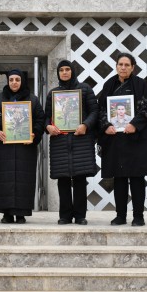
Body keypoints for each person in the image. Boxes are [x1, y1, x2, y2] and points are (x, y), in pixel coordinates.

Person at [98, 53, 147, 227]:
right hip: (115, 140)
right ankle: (120, 215)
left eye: (127, 65)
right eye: (120, 64)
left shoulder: (140, 84)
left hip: (136, 139)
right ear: (116, 66)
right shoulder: (109, 85)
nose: (123, 67)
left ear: (133, 67)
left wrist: (134, 124)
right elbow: (101, 109)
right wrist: (105, 126)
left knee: (137, 179)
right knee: (118, 179)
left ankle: (138, 216)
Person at [0, 69, 45, 224]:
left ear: (22, 81)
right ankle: (6, 214)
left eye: (17, 79)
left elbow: (40, 120)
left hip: (25, 148)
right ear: (8, 81)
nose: (14, 82)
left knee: (23, 180)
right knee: (4, 180)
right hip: (3, 148)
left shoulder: (33, 99)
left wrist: (34, 134)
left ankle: (21, 214)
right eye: (11, 79)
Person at [44, 60, 98, 226]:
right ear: (58, 73)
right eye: (62, 70)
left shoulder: (85, 89)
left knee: (80, 179)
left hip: (80, 140)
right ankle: (65, 215)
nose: (65, 72)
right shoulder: (53, 93)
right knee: (63, 179)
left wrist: (85, 125)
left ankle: (80, 215)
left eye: (68, 69)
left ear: (73, 71)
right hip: (60, 141)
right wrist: (48, 127)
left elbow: (95, 111)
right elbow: (46, 116)